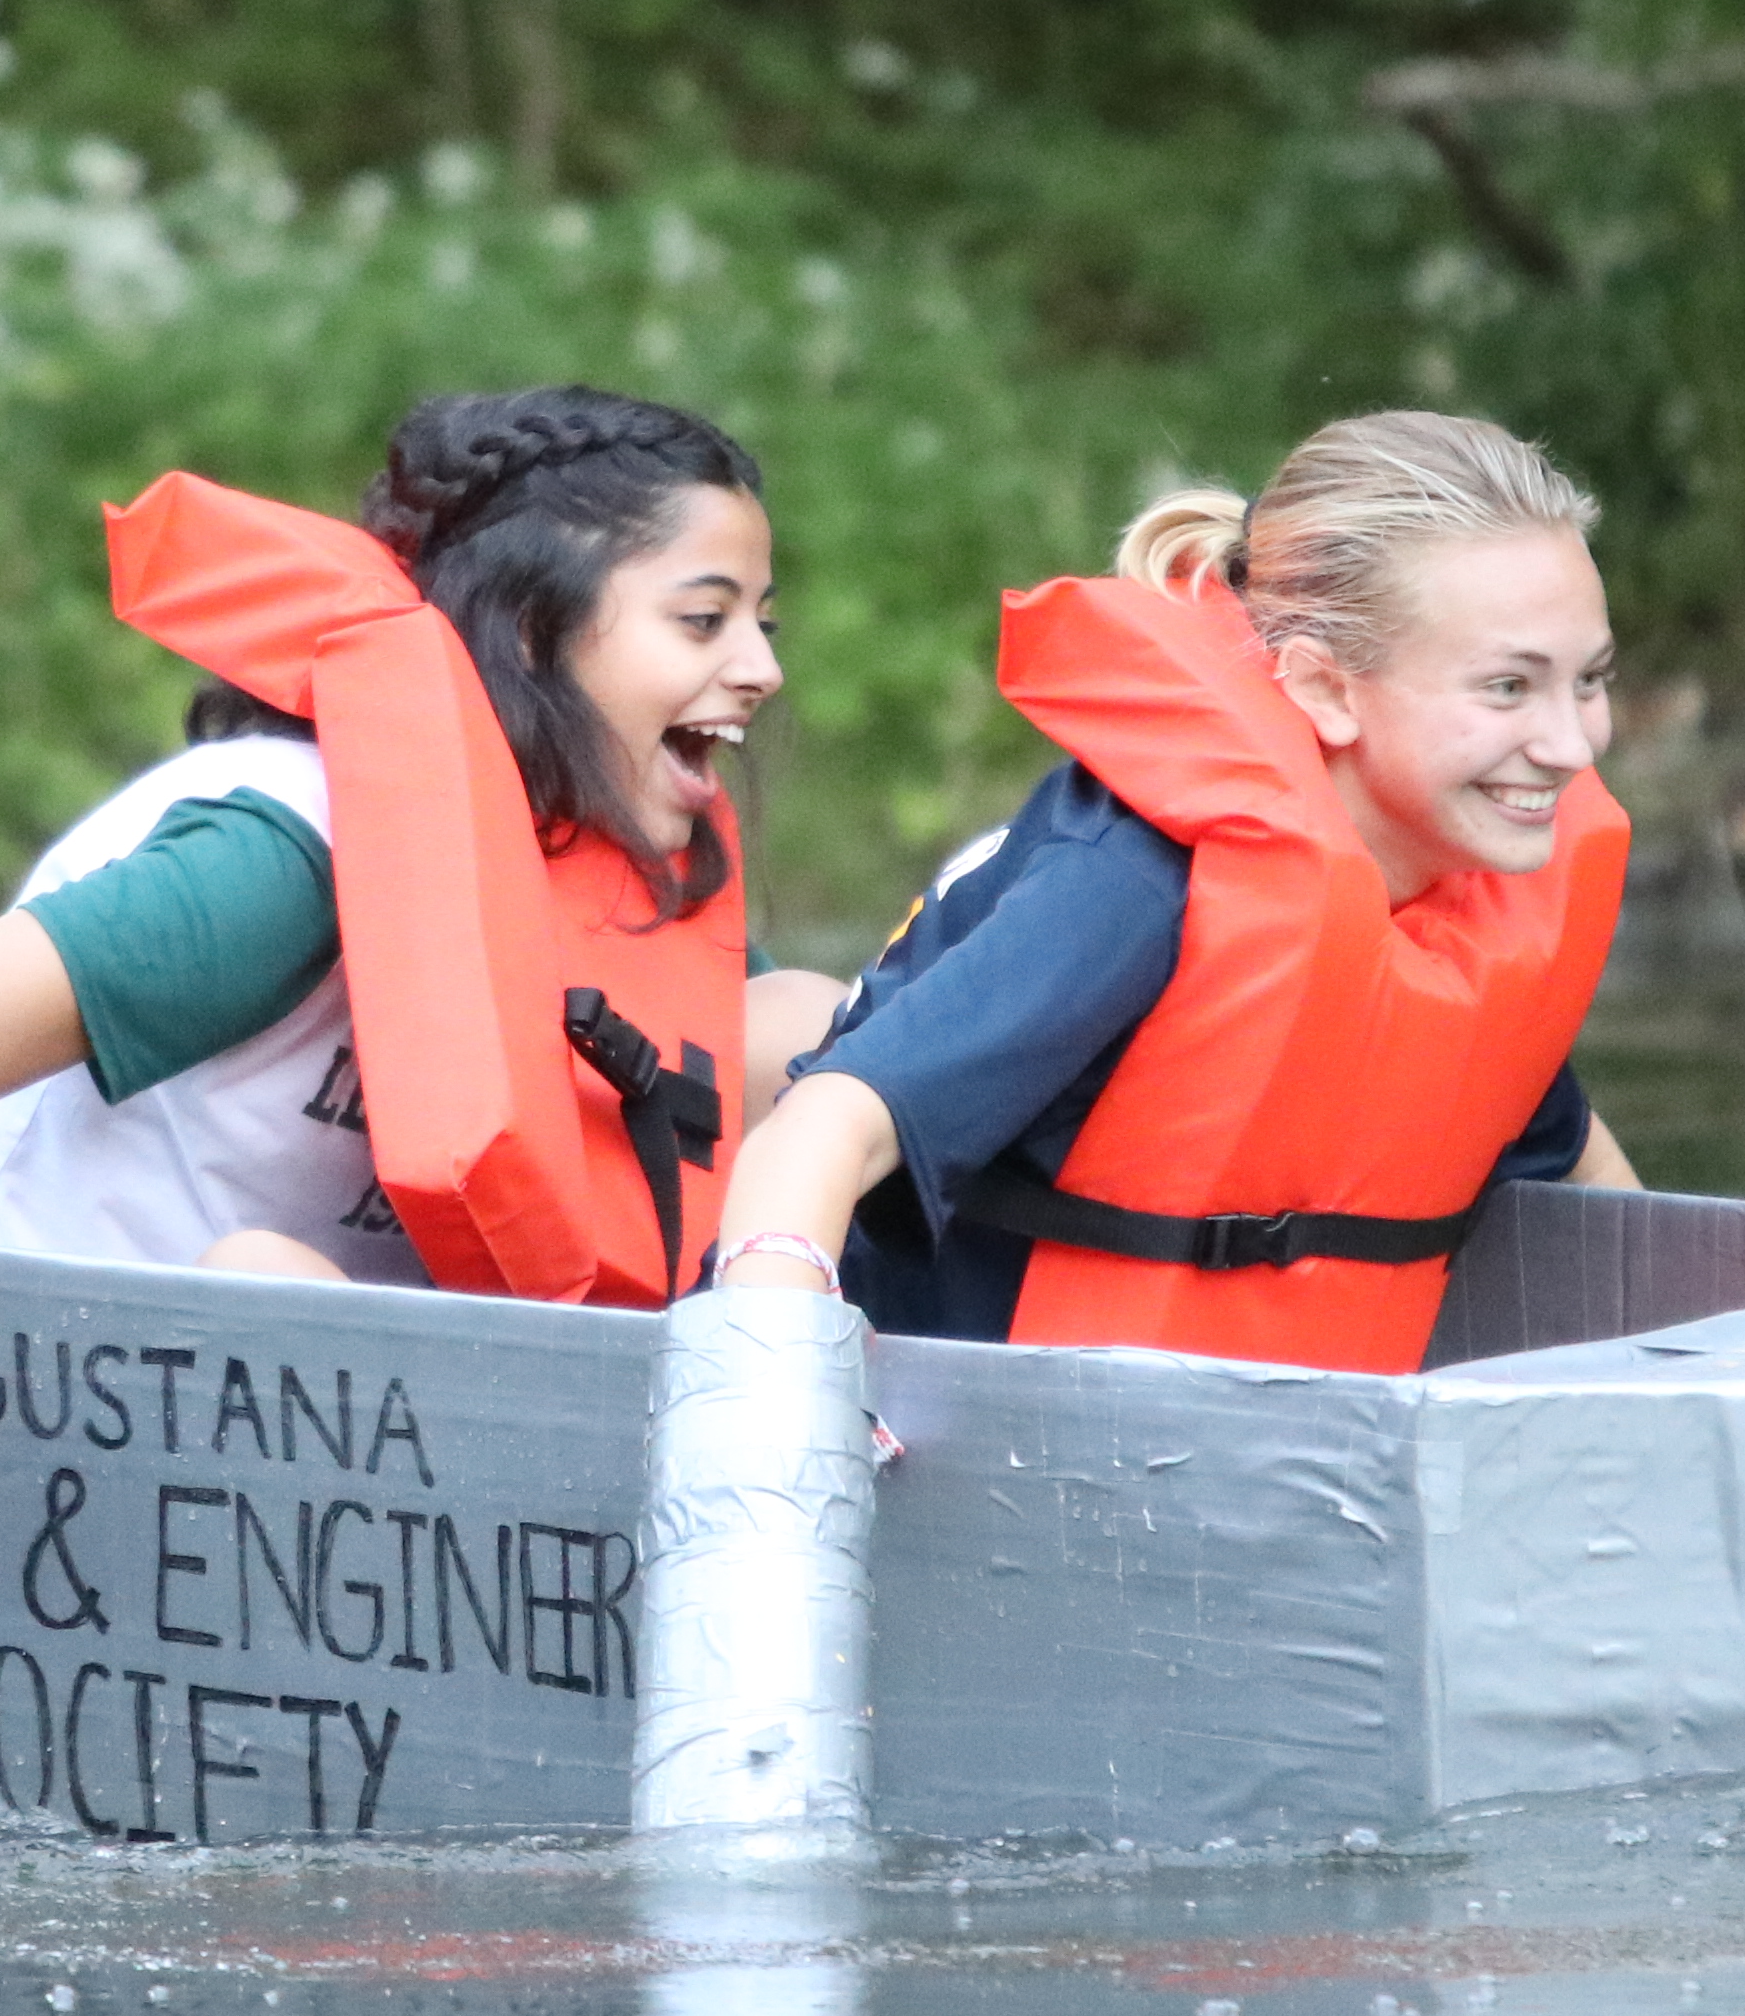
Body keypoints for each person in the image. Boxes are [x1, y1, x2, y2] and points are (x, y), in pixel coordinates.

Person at [0, 387, 837, 1549]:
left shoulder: (615, 879)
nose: (762, 669)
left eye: (762, 625)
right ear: (531, 630)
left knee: (806, 1030)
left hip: (312, 1456)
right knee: (272, 1276)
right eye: (703, 618)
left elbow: (786, 1065)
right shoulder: (277, 863)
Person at [699, 407, 1641, 1367]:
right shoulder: (1138, 890)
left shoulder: (1455, 900)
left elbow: (1584, 1164)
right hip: (947, 1449)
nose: (1571, 746)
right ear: (1323, 690)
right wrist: (764, 1456)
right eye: (1509, 689)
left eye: (1590, 681)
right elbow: (814, 1138)